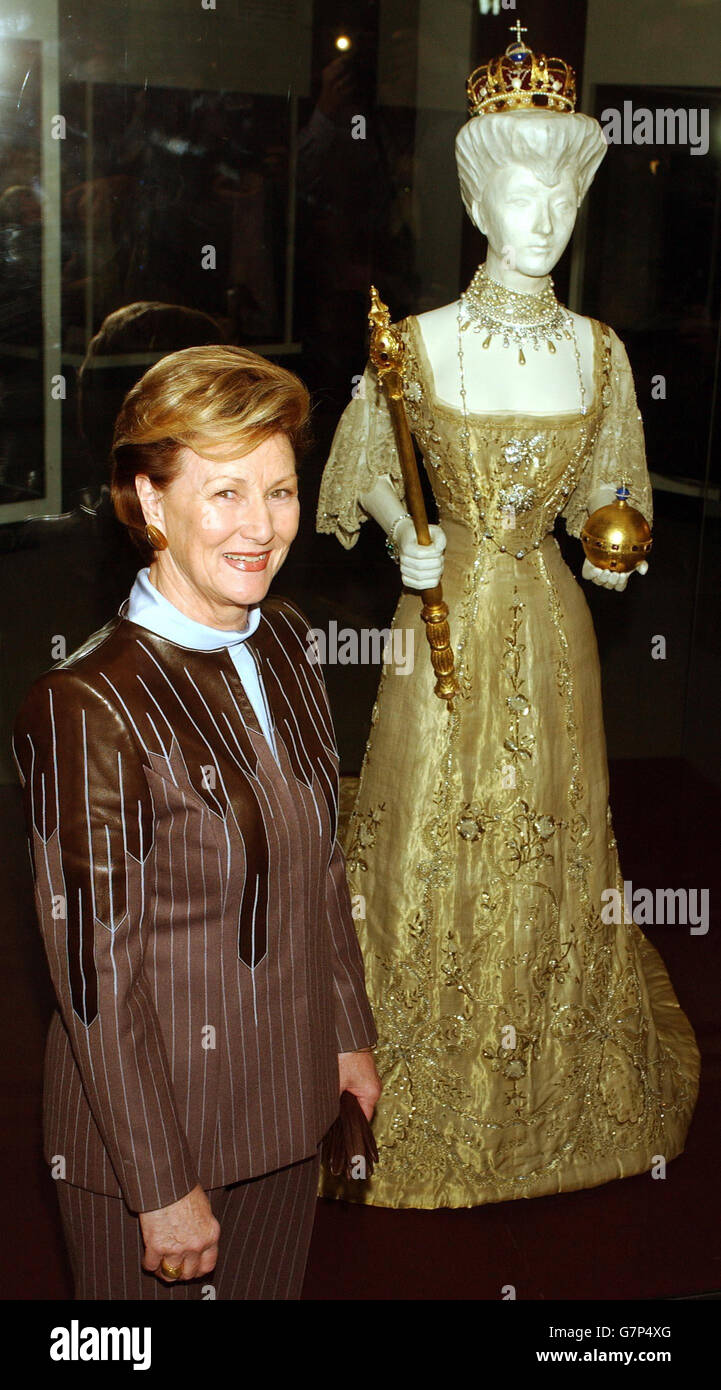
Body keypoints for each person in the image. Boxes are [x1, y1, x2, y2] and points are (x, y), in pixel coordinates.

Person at [316, 34, 699, 1209]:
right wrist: (402, 528)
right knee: (429, 824)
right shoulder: (415, 343)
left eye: (565, 193)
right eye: (522, 190)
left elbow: (611, 487)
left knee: (551, 829)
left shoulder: (601, 351)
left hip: (547, 618)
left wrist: (612, 531)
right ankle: (390, 1075)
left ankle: (553, 1067)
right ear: (479, 196)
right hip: (441, 613)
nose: (544, 216)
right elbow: (362, 466)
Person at [12, 343, 380, 1297]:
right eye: (224, 493)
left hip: (287, 1103)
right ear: (147, 503)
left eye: (282, 491)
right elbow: (93, 974)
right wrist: (161, 1185)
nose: (262, 528)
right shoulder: (87, 705)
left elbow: (321, 863)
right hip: (154, 1143)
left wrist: (345, 1033)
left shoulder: (289, 639)